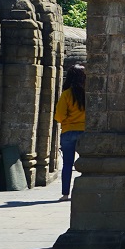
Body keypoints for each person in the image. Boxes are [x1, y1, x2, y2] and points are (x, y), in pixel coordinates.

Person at [54, 65, 86, 202]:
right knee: (88, 163)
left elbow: (59, 116)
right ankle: (85, 192)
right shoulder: (88, 94)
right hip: (85, 132)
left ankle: (65, 194)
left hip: (68, 132)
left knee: (67, 164)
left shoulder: (66, 94)